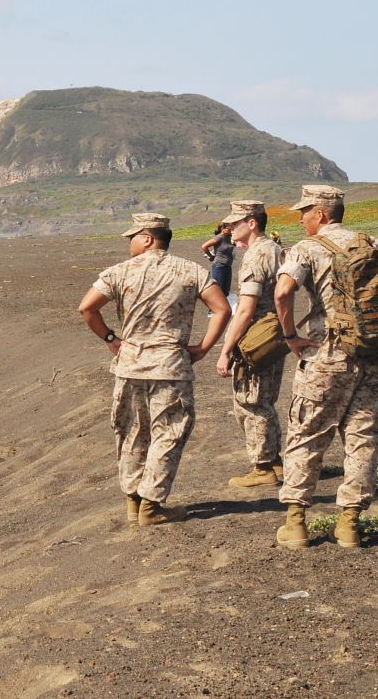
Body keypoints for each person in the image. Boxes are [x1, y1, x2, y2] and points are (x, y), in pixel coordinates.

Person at [272, 185, 378, 550]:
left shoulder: (306, 249)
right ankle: (348, 526)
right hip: (372, 357)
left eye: (305, 212)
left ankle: (296, 524)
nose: (301, 219)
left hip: (324, 359)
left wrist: (291, 335)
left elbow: (283, 293)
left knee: (307, 435)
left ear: (322, 214)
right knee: (362, 440)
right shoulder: (375, 244)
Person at [78, 213, 231, 526]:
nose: (130, 243)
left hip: (130, 365)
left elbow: (87, 308)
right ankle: (151, 502)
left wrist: (111, 339)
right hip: (170, 366)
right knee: (169, 433)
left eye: (133, 237)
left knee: (132, 431)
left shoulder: (118, 272)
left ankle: (134, 499)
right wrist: (203, 347)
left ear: (148, 237)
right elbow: (222, 308)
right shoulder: (190, 270)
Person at [213, 200, 286, 488]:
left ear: (252, 223)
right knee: (264, 398)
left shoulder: (257, 256)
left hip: (257, 335)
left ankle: (263, 467)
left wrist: (226, 349)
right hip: (273, 333)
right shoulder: (274, 249)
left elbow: (245, 309)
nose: (229, 228)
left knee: (251, 402)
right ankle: (276, 462)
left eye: (235, 222)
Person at [200, 222, 237, 308]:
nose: (231, 230)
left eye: (231, 228)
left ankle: (222, 309)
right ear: (223, 229)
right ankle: (213, 309)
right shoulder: (219, 237)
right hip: (219, 266)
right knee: (218, 290)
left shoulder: (229, 237)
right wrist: (211, 256)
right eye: (229, 229)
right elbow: (204, 246)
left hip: (228, 266)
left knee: (226, 290)